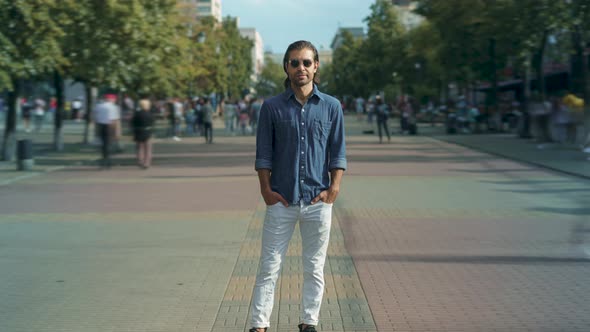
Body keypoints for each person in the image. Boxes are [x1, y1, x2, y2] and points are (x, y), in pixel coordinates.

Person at [249, 40, 347, 332]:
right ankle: (259, 325)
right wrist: (266, 191)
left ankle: (309, 322)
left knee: (314, 268)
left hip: (318, 202)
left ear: (316, 66)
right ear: (287, 68)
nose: (300, 68)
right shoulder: (271, 107)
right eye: (294, 62)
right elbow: (263, 154)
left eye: (306, 62)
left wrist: (333, 190)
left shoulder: (331, 107)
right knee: (269, 267)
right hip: (282, 200)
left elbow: (338, 152)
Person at [93, 94, 120, 168]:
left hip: (100, 126)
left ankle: (104, 159)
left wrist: (96, 131)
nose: (115, 101)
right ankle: (107, 161)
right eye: (114, 99)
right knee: (108, 144)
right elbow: (115, 120)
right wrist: (117, 132)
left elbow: (95, 119)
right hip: (110, 127)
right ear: (111, 99)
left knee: (103, 145)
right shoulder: (114, 107)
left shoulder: (98, 106)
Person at [131, 98, 155, 169]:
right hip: (147, 132)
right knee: (148, 149)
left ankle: (140, 161)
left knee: (139, 148)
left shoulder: (137, 114)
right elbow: (152, 122)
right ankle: (146, 163)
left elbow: (133, 123)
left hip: (138, 132)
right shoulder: (150, 114)